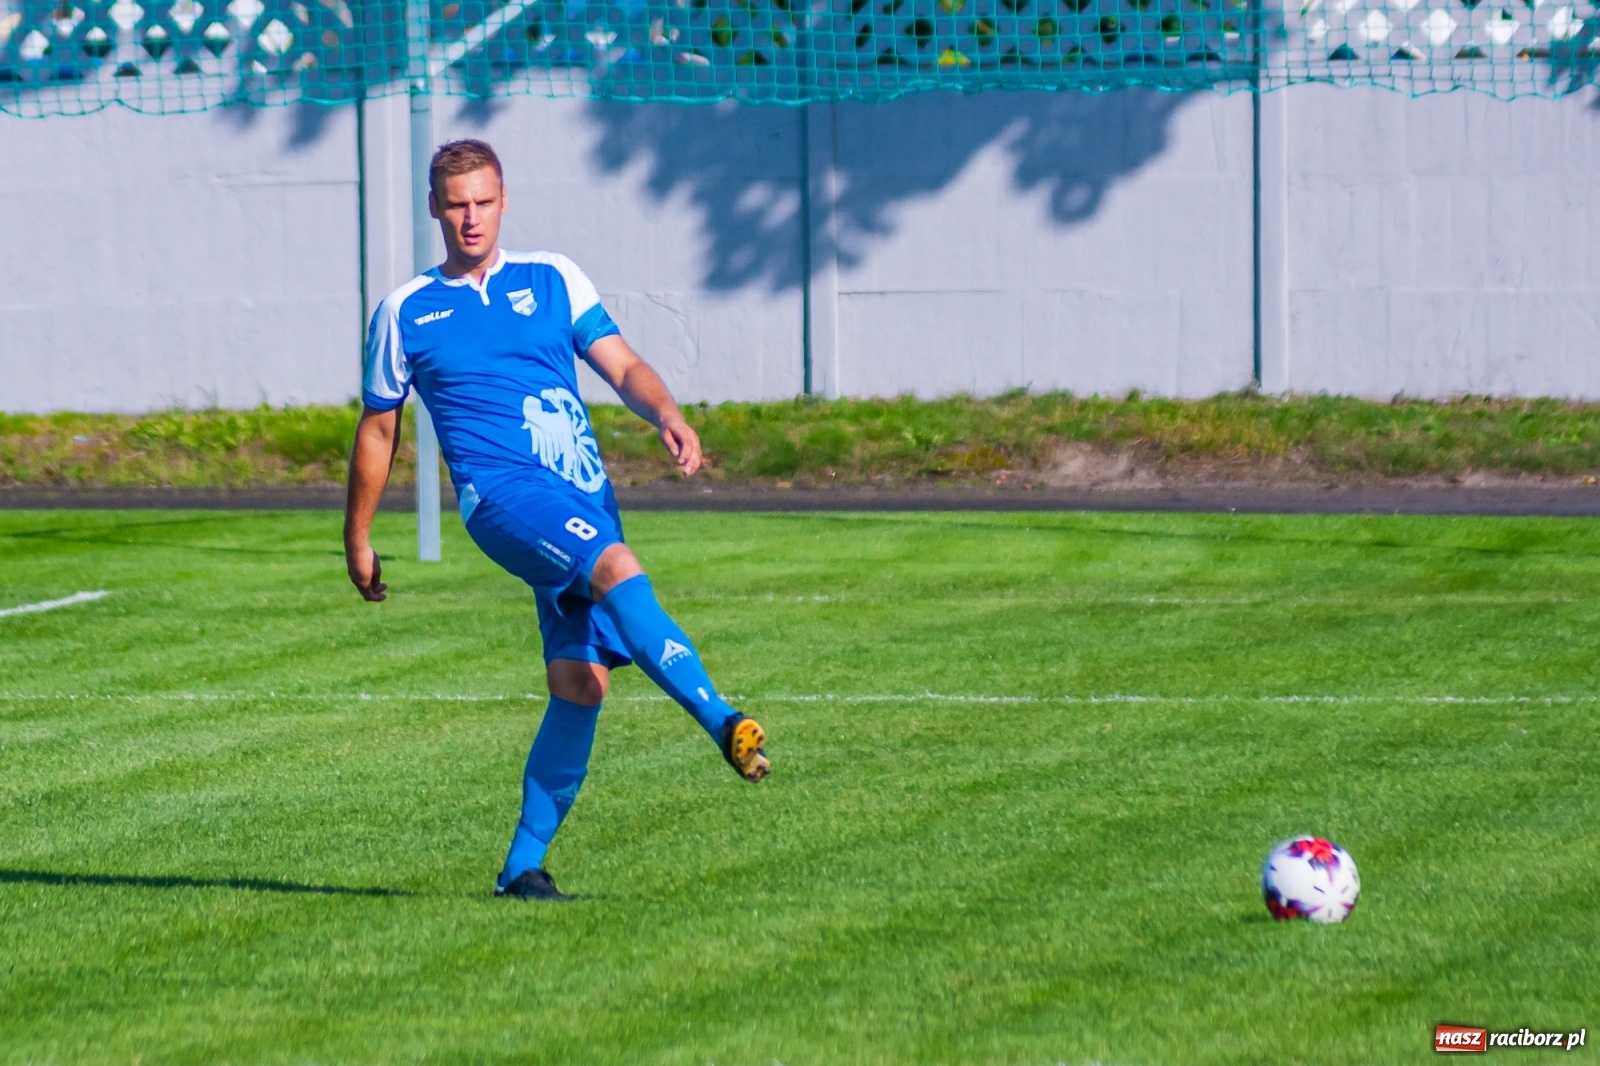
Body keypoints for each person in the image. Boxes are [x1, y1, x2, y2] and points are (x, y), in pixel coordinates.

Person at [343, 138, 769, 902]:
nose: (470, 219)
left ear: (504, 201)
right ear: (434, 209)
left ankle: (520, 870)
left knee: (580, 684)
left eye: (483, 202)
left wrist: (665, 411)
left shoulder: (553, 278)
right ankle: (722, 718)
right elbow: (380, 428)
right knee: (615, 569)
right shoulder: (406, 311)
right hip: (502, 498)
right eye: (456, 205)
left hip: (583, 493)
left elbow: (624, 364)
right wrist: (359, 536)